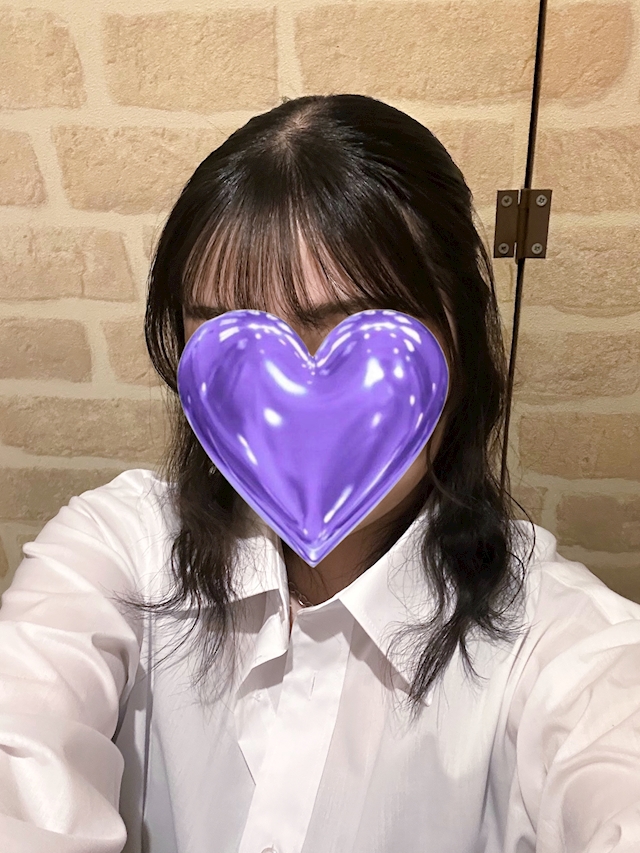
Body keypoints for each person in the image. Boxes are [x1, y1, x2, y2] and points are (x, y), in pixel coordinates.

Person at [1, 94, 639, 853]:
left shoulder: (559, 640)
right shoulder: (119, 546)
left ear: (460, 341)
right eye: (233, 336)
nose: (297, 406)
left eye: (352, 326)